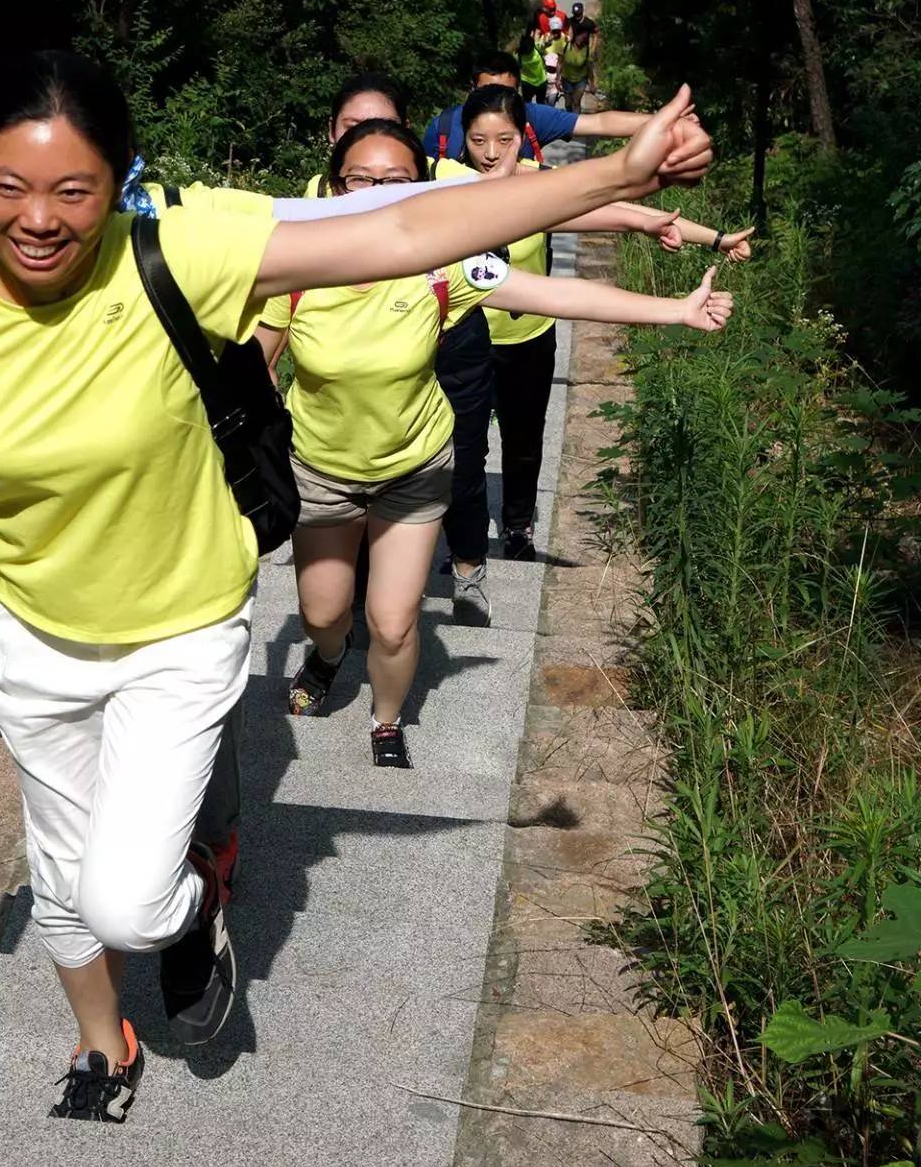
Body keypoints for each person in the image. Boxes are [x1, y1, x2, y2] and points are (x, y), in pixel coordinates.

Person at [0, 43, 713, 1124]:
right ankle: (103, 1044)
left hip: (177, 630)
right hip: (22, 632)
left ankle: (196, 894)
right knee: (61, 886)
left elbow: (394, 231)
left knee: (128, 898)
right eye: (7, 186)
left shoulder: (181, 250)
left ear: (118, 181)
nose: (38, 218)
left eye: (73, 189)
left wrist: (610, 178)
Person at [256, 118, 735, 761]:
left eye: (394, 181)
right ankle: (328, 655)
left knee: (394, 624)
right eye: (359, 179)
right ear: (333, 185)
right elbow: (252, 366)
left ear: (421, 189)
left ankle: (387, 719)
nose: (373, 191)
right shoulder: (297, 267)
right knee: (324, 614)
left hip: (415, 466)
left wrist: (675, 309)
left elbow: (557, 294)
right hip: (319, 469)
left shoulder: (440, 267)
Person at [438, 84, 750, 617]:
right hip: (464, 337)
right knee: (463, 447)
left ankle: (516, 525)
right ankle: (465, 546)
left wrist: (712, 238)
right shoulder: (442, 185)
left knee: (523, 437)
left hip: (528, 331)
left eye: (505, 139)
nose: (492, 152)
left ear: (525, 140)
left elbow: (618, 208)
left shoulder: (537, 187)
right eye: (479, 140)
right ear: (460, 141)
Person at [423, 54, 657, 166]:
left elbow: (600, 123)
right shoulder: (442, 127)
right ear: (472, 89)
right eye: (478, 140)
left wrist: (668, 122)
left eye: (506, 94)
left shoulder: (530, 116)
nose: (497, 102)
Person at [303, 71, 408, 197]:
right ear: (332, 131)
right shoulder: (320, 192)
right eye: (353, 128)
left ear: (407, 132)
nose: (369, 141)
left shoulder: (437, 180)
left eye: (386, 127)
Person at [560, 11, 598, 114]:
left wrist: (592, 84)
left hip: (581, 79)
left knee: (576, 102)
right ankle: (568, 119)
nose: (582, 39)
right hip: (566, 78)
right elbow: (560, 62)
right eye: (581, 36)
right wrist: (557, 78)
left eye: (584, 38)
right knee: (568, 103)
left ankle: (575, 123)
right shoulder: (566, 47)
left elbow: (589, 68)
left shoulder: (586, 51)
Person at [516, 19, 550, 97]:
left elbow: (544, 44)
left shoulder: (534, 47)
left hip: (541, 81)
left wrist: (548, 41)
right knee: (528, 104)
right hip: (528, 83)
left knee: (538, 103)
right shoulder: (519, 55)